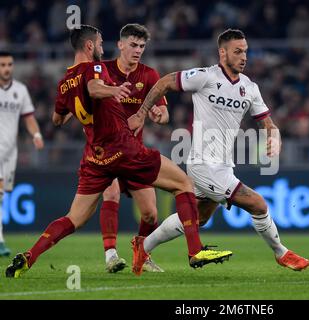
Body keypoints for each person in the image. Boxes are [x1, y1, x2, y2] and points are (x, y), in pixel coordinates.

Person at [5, 25, 232, 278]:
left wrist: (152, 113)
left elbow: (58, 120)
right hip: (126, 150)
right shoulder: (97, 67)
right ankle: (193, 251)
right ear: (91, 46)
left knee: (75, 218)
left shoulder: (63, 83)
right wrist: (113, 90)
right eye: (101, 43)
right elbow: (93, 87)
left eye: (141, 46)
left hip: (96, 158)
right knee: (184, 183)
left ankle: (29, 256)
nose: (103, 47)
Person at [128, 29, 309, 273]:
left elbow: (268, 123)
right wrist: (141, 113)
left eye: (245, 51)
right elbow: (164, 83)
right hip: (203, 163)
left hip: (224, 164)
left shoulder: (250, 88)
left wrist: (274, 137)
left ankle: (143, 247)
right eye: (237, 51)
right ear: (222, 53)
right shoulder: (205, 77)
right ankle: (281, 253)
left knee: (199, 218)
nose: (243, 56)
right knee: (258, 204)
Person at [99, 23, 168, 273]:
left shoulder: (149, 75)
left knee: (150, 213)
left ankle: (142, 254)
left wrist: (159, 113)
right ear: (120, 45)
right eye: (133, 45)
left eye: (141, 46)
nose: (138, 50)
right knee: (111, 194)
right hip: (106, 150)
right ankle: (111, 255)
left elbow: (164, 113)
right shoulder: (102, 71)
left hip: (135, 152)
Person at [0, 51, 44, 257]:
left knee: (1, 195)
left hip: (10, 151)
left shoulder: (20, 90)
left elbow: (28, 117)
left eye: (9, 64)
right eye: (2, 65)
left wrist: (35, 134)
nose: (6, 68)